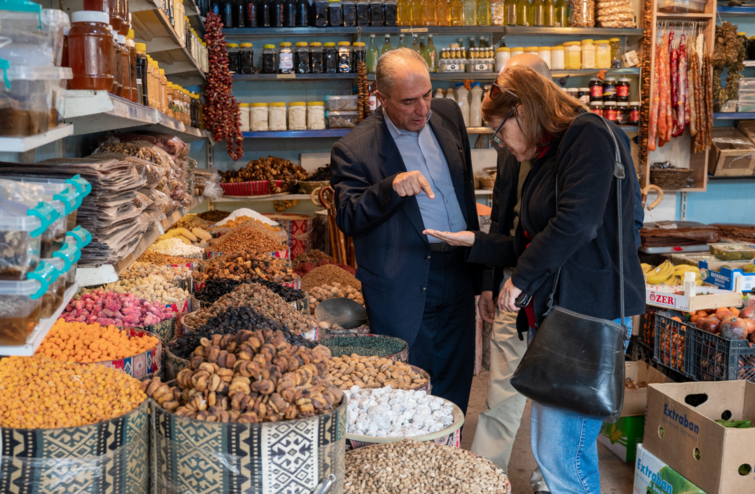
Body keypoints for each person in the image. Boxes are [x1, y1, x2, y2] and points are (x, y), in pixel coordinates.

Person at [427, 64, 645, 493]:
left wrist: (522, 278)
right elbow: (535, 240)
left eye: (498, 131)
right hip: (562, 318)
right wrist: (475, 241)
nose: (500, 143)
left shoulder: (588, 134)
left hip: (588, 316)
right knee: (553, 450)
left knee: (565, 456)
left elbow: (578, 224)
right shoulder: (549, 154)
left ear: (523, 110)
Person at [329, 48, 481, 414]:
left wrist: (484, 274)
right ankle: (412, 458)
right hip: (402, 282)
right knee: (408, 387)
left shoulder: (448, 114)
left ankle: (449, 451)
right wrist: (390, 187)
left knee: (457, 380)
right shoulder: (354, 148)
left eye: (427, 94)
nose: (423, 109)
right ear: (380, 98)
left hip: (458, 270)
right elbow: (348, 216)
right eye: (409, 101)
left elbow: (466, 193)